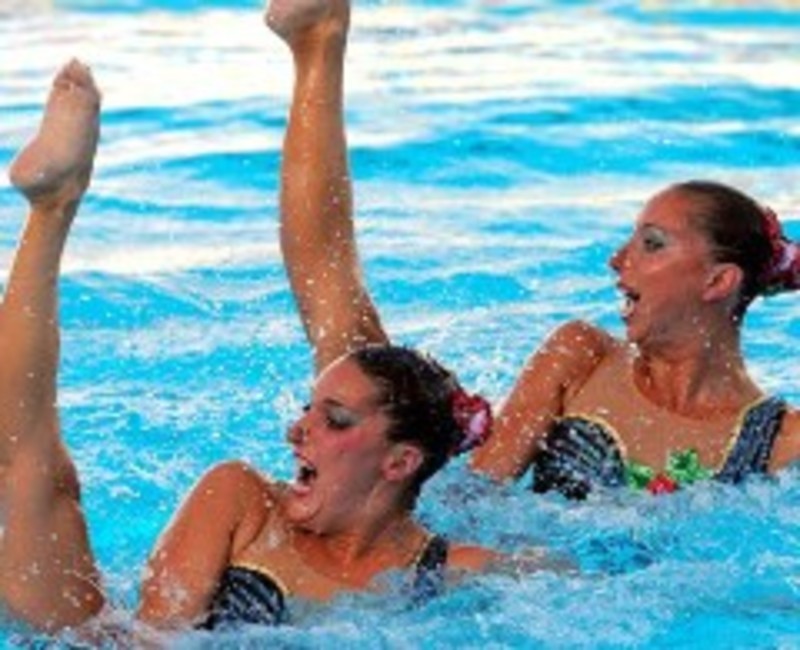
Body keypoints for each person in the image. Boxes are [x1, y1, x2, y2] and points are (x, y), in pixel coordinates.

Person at [0, 8, 502, 636]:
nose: (295, 431)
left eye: (333, 421)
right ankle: (52, 207)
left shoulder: (458, 570)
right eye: (311, 410)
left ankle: (320, 41)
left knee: (348, 331)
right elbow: (154, 641)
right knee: (33, 484)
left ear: (401, 463)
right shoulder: (243, 502)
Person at [471, 181, 800, 497]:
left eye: (652, 244)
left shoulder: (782, 442)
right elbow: (471, 500)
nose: (617, 260)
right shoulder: (581, 358)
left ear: (718, 281)